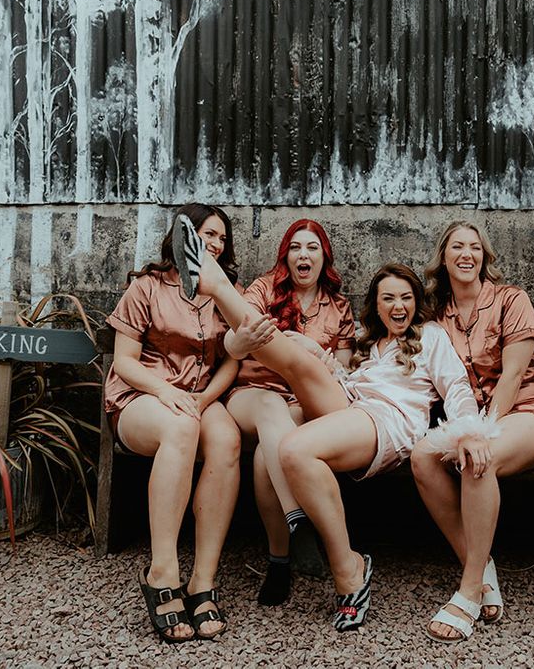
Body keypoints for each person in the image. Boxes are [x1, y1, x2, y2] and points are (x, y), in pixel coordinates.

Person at [173, 215, 495, 631]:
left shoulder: (431, 336)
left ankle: (348, 566)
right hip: (349, 402)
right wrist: (315, 351)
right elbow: (337, 376)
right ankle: (214, 283)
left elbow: (457, 388)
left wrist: (470, 430)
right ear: (375, 307)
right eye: (387, 299)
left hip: (387, 420)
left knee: (293, 446)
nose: (398, 306)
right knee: (292, 353)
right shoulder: (367, 345)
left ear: (417, 302)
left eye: (405, 298)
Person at [411, 220, 534, 643]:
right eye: (457, 247)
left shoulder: (510, 299)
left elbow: (514, 376)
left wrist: (481, 430)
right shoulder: (434, 315)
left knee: (482, 458)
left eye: (475, 248)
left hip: (528, 410)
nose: (466, 254)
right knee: (422, 455)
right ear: (443, 257)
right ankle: (483, 572)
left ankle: (466, 592)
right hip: (470, 418)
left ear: (485, 256)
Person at [104, 203, 242, 643]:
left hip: (199, 395)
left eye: (222, 237)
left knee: (227, 440)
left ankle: (203, 579)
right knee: (181, 428)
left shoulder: (224, 291)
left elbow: (233, 360)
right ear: (183, 238)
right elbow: (124, 362)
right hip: (144, 395)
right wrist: (167, 392)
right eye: (207, 234)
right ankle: (162, 569)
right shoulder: (147, 286)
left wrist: (204, 398)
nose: (216, 244)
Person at [223, 219, 356, 605]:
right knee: (269, 409)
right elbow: (235, 339)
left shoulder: (339, 305)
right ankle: (298, 521)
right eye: (296, 247)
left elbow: (342, 370)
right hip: (252, 394)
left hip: (302, 405)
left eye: (312, 248)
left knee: (270, 451)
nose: (304, 255)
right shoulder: (264, 289)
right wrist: (246, 341)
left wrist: (319, 356)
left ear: (323, 257)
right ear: (286, 255)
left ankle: (280, 559)